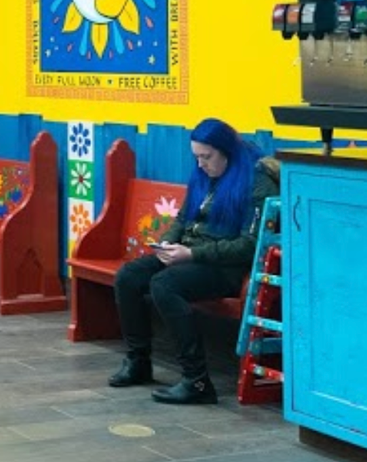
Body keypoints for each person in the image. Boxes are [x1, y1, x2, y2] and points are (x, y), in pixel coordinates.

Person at [109, 118, 280, 405]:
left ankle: (197, 380)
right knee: (128, 276)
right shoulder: (204, 174)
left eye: (207, 157)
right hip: (190, 253)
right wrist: (167, 244)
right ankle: (138, 361)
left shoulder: (257, 181)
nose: (201, 164)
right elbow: (183, 218)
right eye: (197, 157)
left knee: (164, 284)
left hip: (227, 267)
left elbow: (250, 245)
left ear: (226, 151)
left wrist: (192, 254)